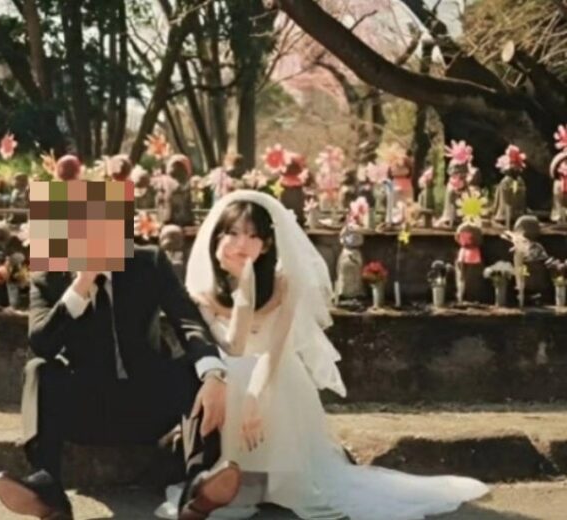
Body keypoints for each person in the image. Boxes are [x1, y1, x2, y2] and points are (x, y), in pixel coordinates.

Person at [157, 190, 489, 520]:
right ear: (217, 237)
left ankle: (276, 480)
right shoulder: (200, 293)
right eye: (232, 232)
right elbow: (235, 348)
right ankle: (231, 478)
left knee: (261, 374)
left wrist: (255, 398)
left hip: (276, 376)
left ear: (267, 245)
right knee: (233, 371)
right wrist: (245, 289)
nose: (241, 243)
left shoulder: (284, 282)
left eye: (253, 235)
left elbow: (274, 352)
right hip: (233, 375)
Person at [0, 244, 244, 519]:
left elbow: (187, 320)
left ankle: (198, 484)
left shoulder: (148, 261)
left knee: (197, 370)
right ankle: (48, 490)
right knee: (38, 370)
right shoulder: (49, 272)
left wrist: (213, 373)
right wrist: (81, 285)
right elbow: (42, 343)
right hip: (87, 411)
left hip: (150, 404)